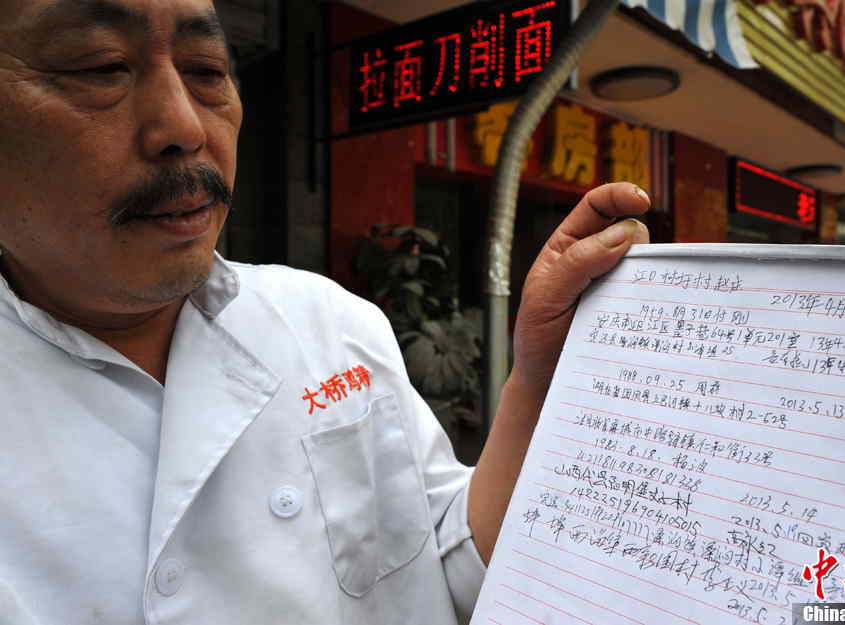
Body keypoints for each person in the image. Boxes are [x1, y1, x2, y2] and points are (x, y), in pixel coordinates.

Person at [0, 0, 650, 623]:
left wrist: (539, 383)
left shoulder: (331, 321)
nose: (185, 126)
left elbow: (446, 561)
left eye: (205, 71)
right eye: (101, 67)